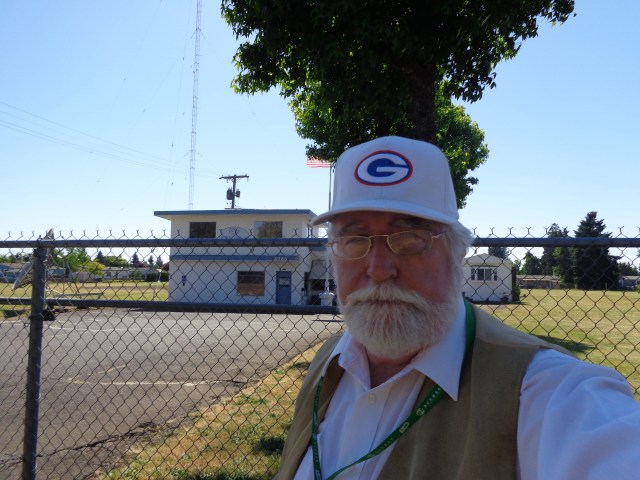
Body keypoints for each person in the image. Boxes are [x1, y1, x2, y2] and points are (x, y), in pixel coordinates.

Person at [276, 136, 640, 480]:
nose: (379, 269)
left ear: (456, 253)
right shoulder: (327, 363)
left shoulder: (545, 392)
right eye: (354, 240)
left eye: (410, 238)